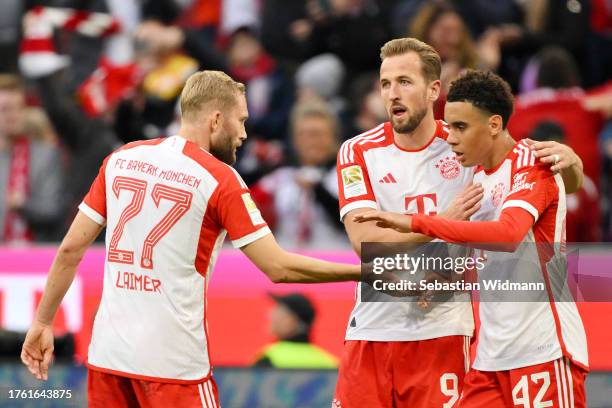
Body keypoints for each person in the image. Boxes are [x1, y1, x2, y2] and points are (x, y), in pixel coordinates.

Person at [20, 70, 362, 407]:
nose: (244, 133)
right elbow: (279, 267)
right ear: (215, 119)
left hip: (108, 360)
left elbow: (70, 249)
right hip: (174, 367)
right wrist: (372, 269)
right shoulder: (219, 179)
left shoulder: (121, 159)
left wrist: (43, 321)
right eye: (240, 120)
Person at [334, 38, 583, 408]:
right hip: (372, 324)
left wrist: (572, 162)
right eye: (385, 84)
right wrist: (436, 228)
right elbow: (366, 242)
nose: (393, 94)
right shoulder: (357, 151)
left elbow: (526, 193)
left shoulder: (468, 148)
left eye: (404, 81)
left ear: (434, 89)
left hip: (447, 331)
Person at [251, 99, 348, 248]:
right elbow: (245, 207)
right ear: (295, 140)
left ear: (333, 138)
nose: (312, 141)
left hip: (335, 259)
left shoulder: (349, 175)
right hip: (288, 261)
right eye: (304, 134)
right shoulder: (280, 177)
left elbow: (353, 223)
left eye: (318, 134)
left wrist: (318, 190)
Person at [0, 74, 65, 243]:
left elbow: (54, 210)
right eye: (6, 109)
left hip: (33, 255)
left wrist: (23, 205)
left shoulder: (45, 155)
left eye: (20, 107)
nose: (14, 115)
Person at [254, 292, 338, 368]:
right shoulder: (329, 363)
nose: (270, 315)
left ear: (291, 321)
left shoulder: (269, 358)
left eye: (278, 312)